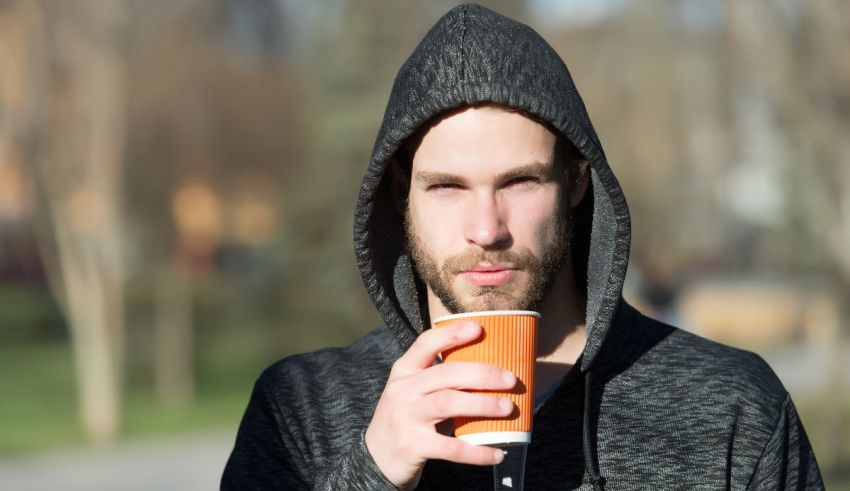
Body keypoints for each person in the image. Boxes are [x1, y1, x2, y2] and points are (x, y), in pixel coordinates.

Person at [221, 4, 823, 490]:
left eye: (520, 181)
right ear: (402, 192)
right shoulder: (301, 410)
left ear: (577, 180)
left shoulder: (730, 410)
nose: (486, 229)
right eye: (448, 187)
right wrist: (370, 476)